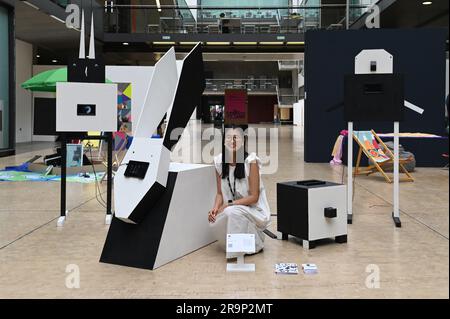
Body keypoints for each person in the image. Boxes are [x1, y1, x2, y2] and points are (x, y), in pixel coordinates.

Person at [208, 125, 271, 258]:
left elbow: (254, 197)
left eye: (236, 138)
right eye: (229, 138)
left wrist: (229, 203)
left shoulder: (250, 162)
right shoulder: (219, 162)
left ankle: (241, 250)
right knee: (213, 221)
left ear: (243, 141)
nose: (232, 141)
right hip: (232, 209)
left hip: (253, 211)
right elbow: (219, 194)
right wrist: (214, 209)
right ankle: (240, 243)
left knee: (232, 211)